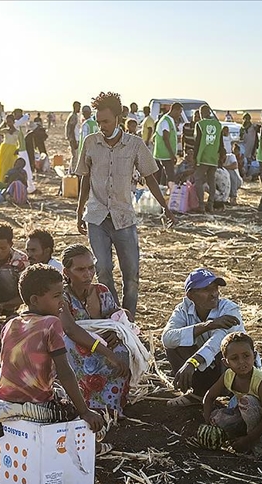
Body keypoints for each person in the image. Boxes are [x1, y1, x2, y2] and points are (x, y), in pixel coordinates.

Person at [0, 265, 105, 435]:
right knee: (76, 412)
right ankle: (95, 443)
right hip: (36, 405)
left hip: (5, 398)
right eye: (57, 296)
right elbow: (65, 372)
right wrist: (84, 411)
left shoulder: (10, 324)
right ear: (34, 300)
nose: (62, 301)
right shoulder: (51, 324)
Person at [76, 92, 176, 317]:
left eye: (106, 121)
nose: (102, 126)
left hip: (124, 218)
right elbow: (85, 178)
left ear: (118, 118)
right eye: (99, 122)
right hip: (96, 217)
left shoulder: (134, 144)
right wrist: (79, 210)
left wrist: (165, 207)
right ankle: (114, 315)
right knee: (103, 270)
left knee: (131, 275)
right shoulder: (91, 142)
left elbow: (150, 177)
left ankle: (128, 318)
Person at [59, 244, 135, 413]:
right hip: (80, 346)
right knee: (72, 346)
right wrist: (107, 352)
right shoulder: (62, 297)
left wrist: (116, 331)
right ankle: (86, 406)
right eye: (80, 269)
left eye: (91, 267)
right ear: (66, 272)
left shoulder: (102, 291)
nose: (88, 274)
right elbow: (70, 330)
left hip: (102, 344)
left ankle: (113, 407)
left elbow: (119, 316)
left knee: (123, 349)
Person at [162, 268, 245, 407]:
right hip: (208, 370)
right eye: (206, 289)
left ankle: (236, 395)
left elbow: (217, 343)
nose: (214, 294)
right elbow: (167, 338)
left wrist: (192, 362)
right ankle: (198, 394)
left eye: (215, 288)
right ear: (190, 295)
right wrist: (208, 325)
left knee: (228, 349)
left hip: (233, 370)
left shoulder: (229, 310)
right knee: (173, 346)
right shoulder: (183, 309)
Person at [202, 332, 262, 456]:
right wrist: (207, 425)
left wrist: (248, 440)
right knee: (216, 418)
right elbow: (209, 397)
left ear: (254, 356)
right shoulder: (228, 375)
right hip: (248, 416)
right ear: (226, 362)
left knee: (247, 402)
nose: (241, 362)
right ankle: (242, 437)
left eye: (246, 356)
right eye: (234, 358)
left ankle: (258, 448)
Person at [193, 105, 226, 213]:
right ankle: (210, 205)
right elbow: (221, 143)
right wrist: (221, 156)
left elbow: (197, 142)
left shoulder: (200, 124)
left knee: (198, 179)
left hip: (203, 157)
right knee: (211, 180)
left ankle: (201, 205)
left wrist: (194, 158)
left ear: (201, 113)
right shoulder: (218, 125)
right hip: (213, 157)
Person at [153, 103, 183, 187]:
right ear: (175, 110)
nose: (180, 114)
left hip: (167, 153)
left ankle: (164, 189)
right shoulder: (165, 121)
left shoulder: (170, 120)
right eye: (179, 112)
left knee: (165, 174)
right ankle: (171, 190)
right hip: (165, 154)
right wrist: (172, 154)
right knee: (170, 175)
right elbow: (165, 138)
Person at [0, 114, 19, 186]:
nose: (9, 123)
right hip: (4, 149)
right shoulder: (5, 130)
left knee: (11, 165)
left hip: (12, 150)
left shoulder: (17, 132)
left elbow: (20, 143)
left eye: (10, 122)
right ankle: (1, 181)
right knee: (2, 165)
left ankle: (9, 183)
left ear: (13, 122)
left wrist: (18, 149)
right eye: (7, 122)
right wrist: (3, 123)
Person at [65, 101, 81, 170]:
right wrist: (74, 140)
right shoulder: (73, 116)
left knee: (75, 156)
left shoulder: (73, 115)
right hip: (74, 139)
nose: (79, 108)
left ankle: (71, 170)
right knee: (75, 156)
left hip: (74, 138)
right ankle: (73, 171)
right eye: (79, 107)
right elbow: (71, 129)